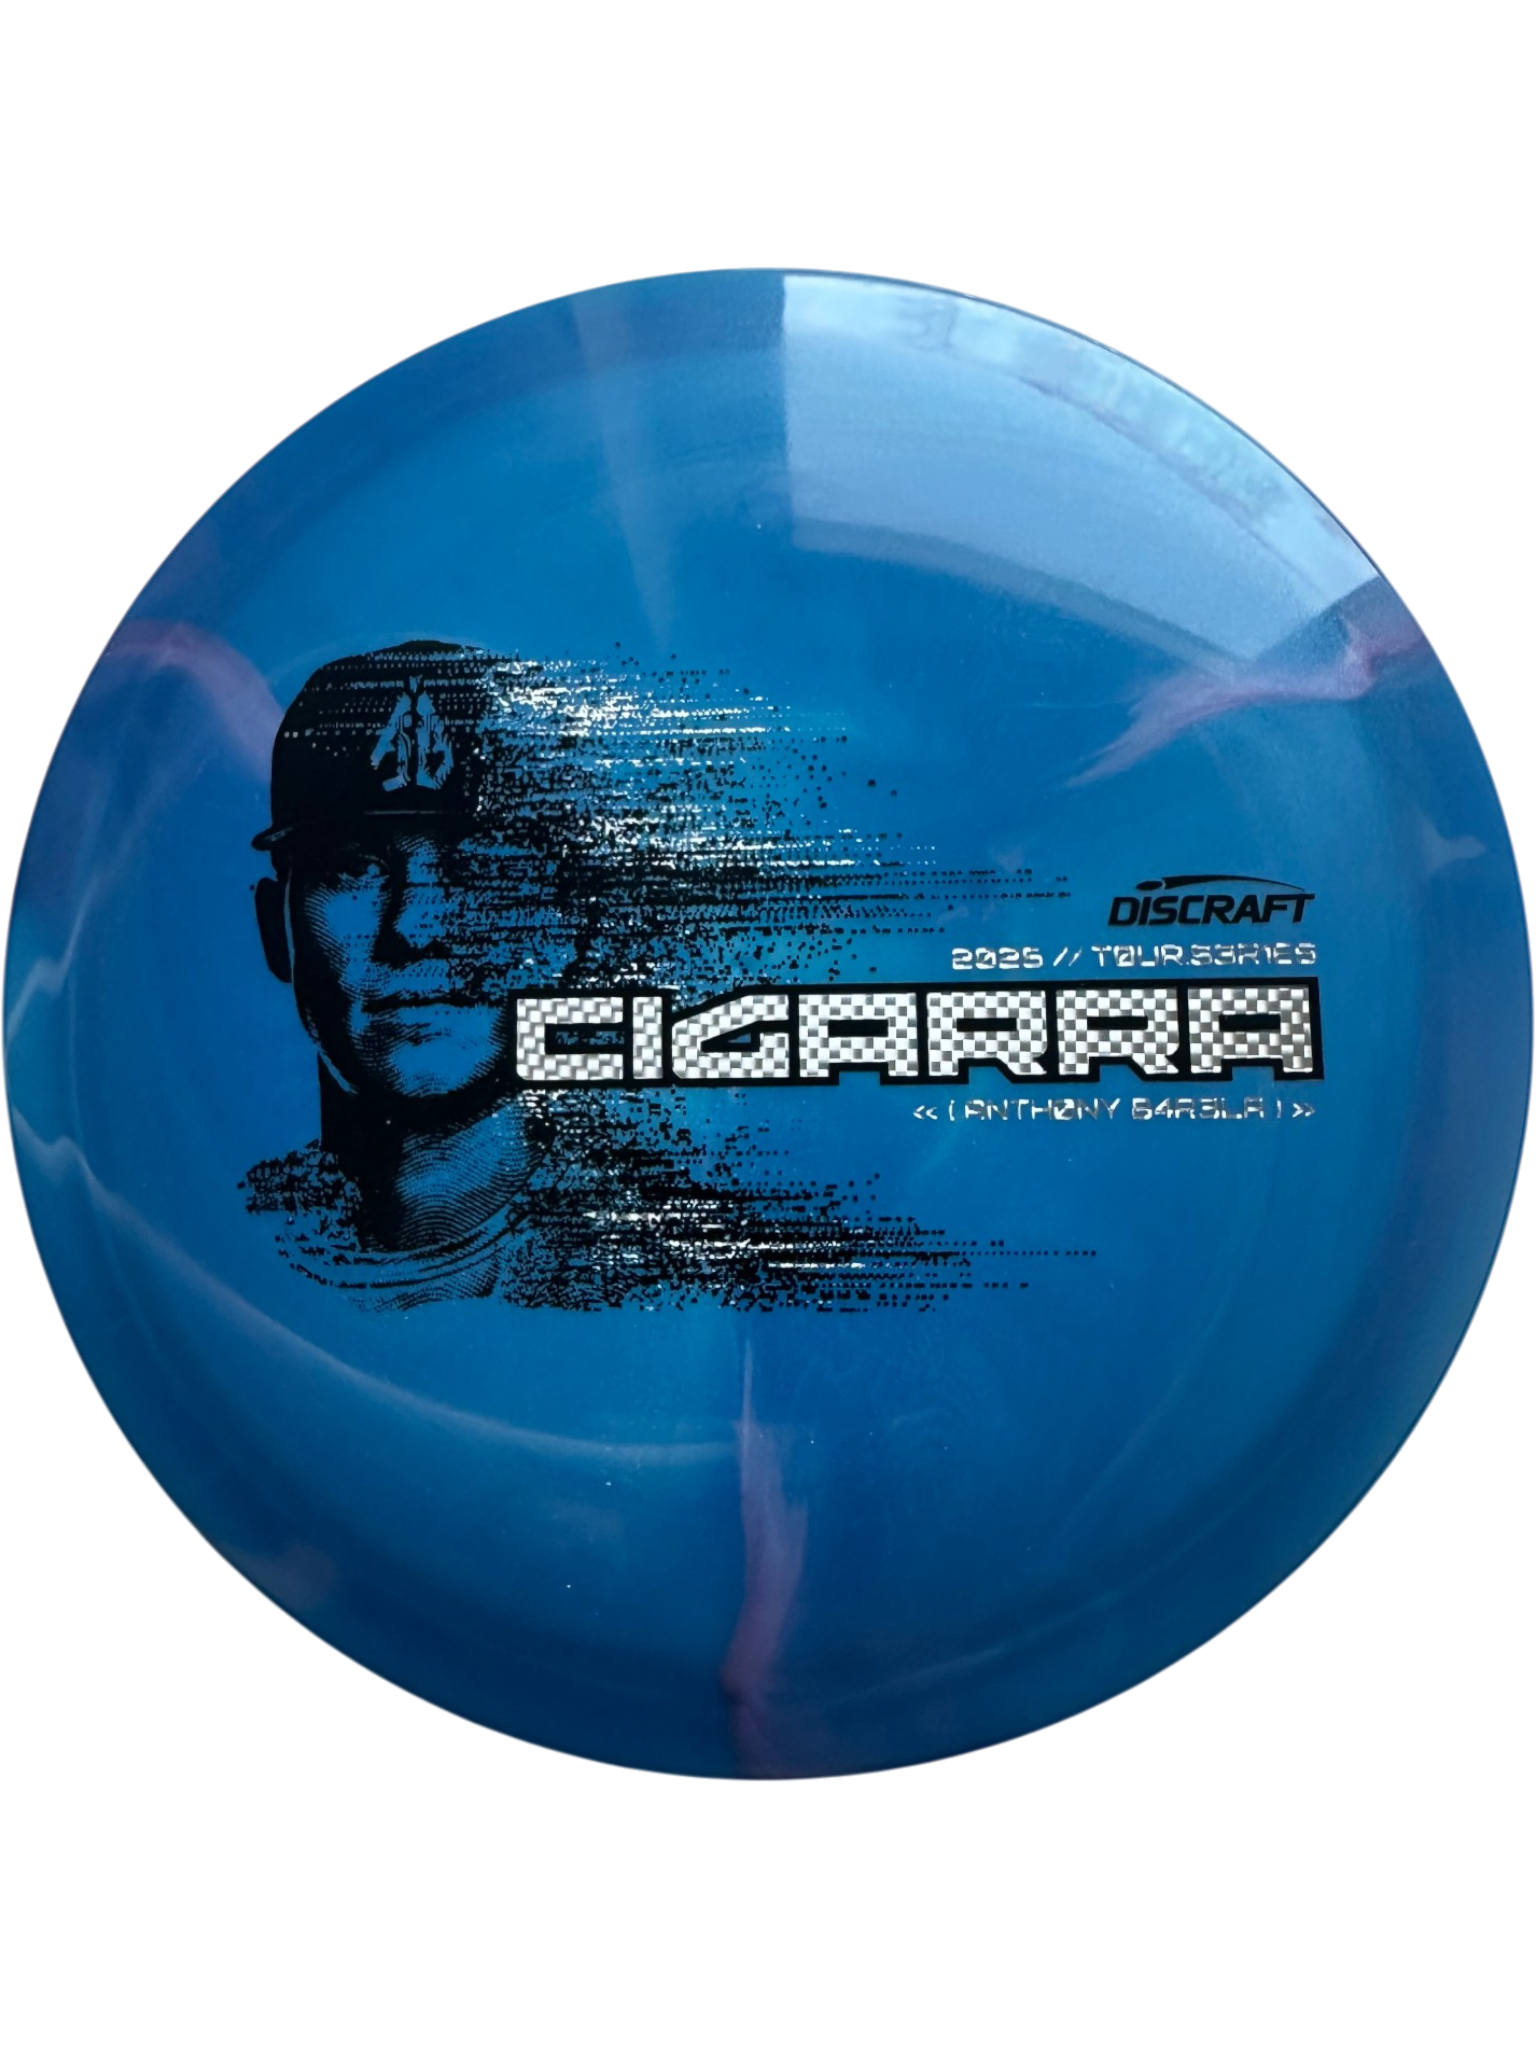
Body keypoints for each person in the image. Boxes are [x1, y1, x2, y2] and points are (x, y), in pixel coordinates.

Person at [244, 639, 972, 1311]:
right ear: (275, 925)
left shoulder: (693, 1265)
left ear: (573, 917)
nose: (417, 925)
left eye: (487, 865)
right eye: (353, 867)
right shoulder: (236, 1237)